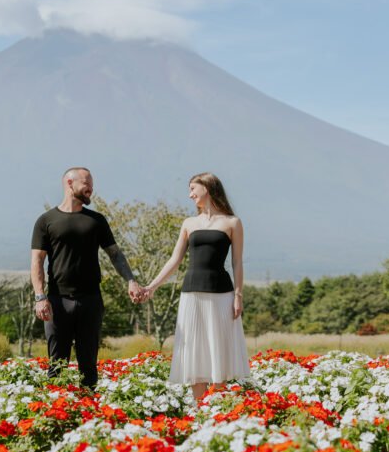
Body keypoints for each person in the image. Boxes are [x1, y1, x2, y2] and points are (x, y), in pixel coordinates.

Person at [31, 167, 143, 389]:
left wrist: (130, 280)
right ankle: (57, 413)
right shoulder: (46, 220)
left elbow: (115, 254)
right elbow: (37, 261)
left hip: (91, 300)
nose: (91, 188)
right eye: (86, 183)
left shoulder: (96, 220)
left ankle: (89, 412)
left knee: (88, 365)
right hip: (56, 301)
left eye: (92, 183)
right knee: (56, 365)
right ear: (69, 183)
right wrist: (40, 296)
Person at [143, 172, 250, 401]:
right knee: (194, 349)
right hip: (191, 293)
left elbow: (238, 262)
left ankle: (218, 409)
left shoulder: (232, 222)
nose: (190, 194)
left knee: (218, 346)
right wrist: (152, 286)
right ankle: (198, 409)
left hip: (222, 294)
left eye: (193, 188)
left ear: (208, 188)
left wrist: (238, 295)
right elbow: (174, 260)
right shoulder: (189, 223)